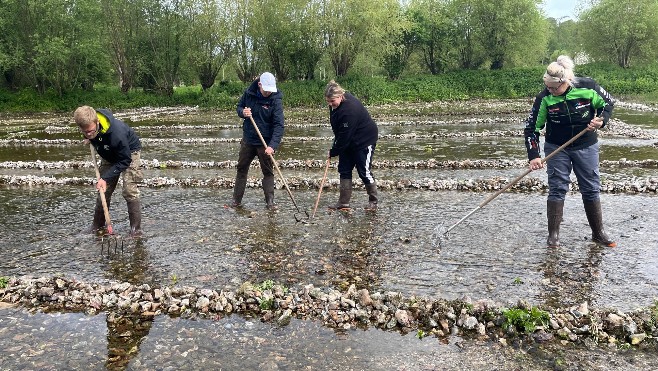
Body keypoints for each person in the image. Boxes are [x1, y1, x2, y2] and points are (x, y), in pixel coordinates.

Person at [523, 55, 615, 248]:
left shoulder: (588, 87)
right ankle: (553, 237)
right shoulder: (544, 98)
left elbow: (608, 104)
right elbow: (531, 129)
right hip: (557, 147)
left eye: (554, 88)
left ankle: (598, 233)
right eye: (548, 87)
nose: (551, 91)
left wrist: (601, 121)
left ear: (566, 82)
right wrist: (534, 156)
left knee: (590, 188)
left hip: (585, 145)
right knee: (557, 188)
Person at [74, 105, 143, 236]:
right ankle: (97, 225)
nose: (88, 134)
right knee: (102, 190)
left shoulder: (117, 133)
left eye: (91, 131)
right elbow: (90, 133)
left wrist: (105, 178)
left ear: (97, 122)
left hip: (128, 154)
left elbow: (125, 160)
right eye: (85, 132)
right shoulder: (88, 126)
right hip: (108, 153)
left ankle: (136, 230)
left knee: (129, 190)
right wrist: (89, 137)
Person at [232, 72, 285, 209]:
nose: (269, 93)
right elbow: (239, 107)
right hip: (248, 139)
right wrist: (243, 113)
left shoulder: (276, 99)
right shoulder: (249, 93)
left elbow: (279, 125)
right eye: (266, 90)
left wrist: (272, 146)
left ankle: (270, 203)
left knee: (268, 172)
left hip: (265, 143)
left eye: (270, 90)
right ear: (260, 85)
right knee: (241, 169)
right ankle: (236, 201)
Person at [324, 80, 379, 210]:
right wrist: (337, 144)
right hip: (348, 140)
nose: (330, 104)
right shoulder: (335, 105)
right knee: (344, 169)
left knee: (363, 171)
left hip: (364, 140)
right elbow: (341, 132)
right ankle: (343, 202)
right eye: (328, 101)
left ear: (340, 96)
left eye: (332, 101)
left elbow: (345, 136)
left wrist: (334, 151)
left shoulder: (350, 110)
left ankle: (373, 201)